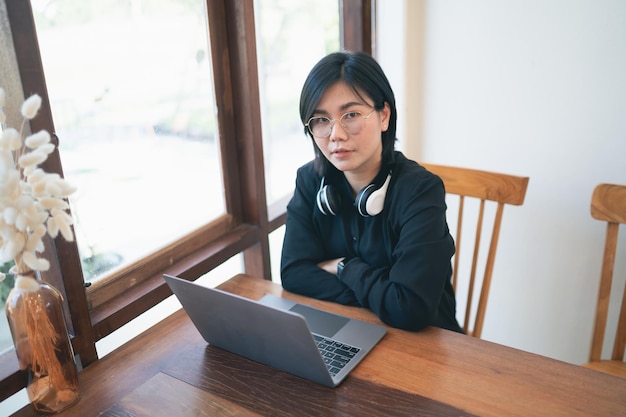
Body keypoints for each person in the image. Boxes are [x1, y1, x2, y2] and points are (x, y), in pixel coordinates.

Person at [280, 51, 463, 333]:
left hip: (426, 348)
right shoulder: (309, 180)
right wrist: (384, 296)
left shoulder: (420, 191)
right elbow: (293, 274)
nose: (335, 134)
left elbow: (410, 309)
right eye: (321, 119)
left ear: (383, 116)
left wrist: (345, 268)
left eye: (351, 115)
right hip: (348, 330)